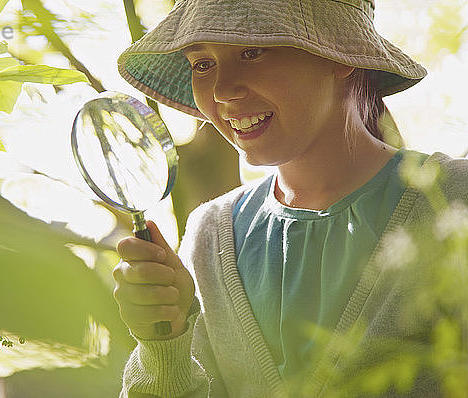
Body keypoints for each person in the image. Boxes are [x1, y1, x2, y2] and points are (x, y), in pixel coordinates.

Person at [111, 0, 468, 396]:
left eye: (252, 51)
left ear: (339, 52)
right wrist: (164, 345)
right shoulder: (210, 237)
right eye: (202, 64)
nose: (223, 90)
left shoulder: (455, 199)